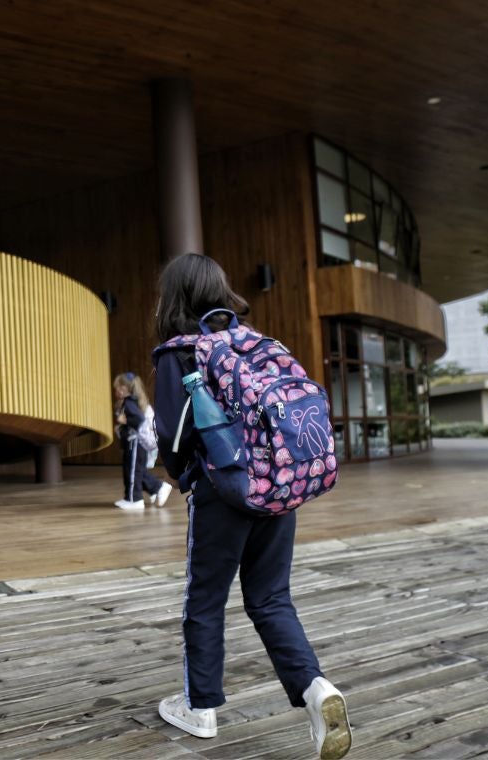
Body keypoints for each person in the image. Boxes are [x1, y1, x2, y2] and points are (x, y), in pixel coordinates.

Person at [149, 253, 350, 759]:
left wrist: (184, 477)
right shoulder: (257, 344)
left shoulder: (180, 354)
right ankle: (315, 689)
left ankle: (201, 707)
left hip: (224, 491)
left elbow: (174, 439)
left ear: (172, 296)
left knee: (205, 598)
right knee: (270, 598)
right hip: (281, 485)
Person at [113, 372, 172, 511]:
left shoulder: (129, 403)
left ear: (123, 389)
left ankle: (135, 499)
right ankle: (155, 489)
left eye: (117, 388)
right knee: (134, 471)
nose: (116, 391)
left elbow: (138, 420)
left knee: (134, 472)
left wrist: (125, 421)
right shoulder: (130, 403)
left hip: (136, 443)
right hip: (133, 443)